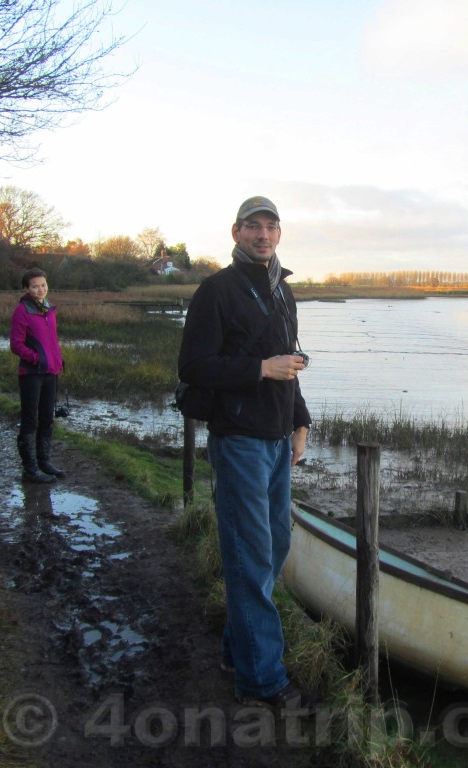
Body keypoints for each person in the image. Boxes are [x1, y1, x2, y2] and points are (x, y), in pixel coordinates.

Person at [178, 196, 314, 709]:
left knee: (273, 549)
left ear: (280, 235)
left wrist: (300, 419)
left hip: (279, 440)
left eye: (270, 226)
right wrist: (258, 369)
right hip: (237, 440)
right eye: (252, 226)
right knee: (251, 555)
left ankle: (239, 650)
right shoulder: (215, 291)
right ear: (235, 233)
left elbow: (290, 363)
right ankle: (262, 680)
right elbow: (193, 366)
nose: (262, 235)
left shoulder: (285, 292)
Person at [10, 267, 66, 484]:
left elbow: (51, 340)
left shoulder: (48, 309)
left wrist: (56, 358)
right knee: (30, 421)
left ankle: (44, 462)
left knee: (47, 419)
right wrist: (37, 358)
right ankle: (30, 469)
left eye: (43, 285)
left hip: (50, 372)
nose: (40, 289)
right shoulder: (22, 311)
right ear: (26, 288)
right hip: (31, 374)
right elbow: (16, 345)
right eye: (35, 286)